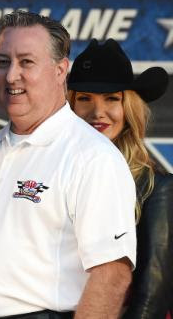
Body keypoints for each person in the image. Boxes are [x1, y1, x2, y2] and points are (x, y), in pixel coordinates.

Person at [0, 11, 137, 319]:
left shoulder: (93, 156)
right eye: (3, 62)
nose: (11, 75)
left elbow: (111, 275)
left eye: (26, 62)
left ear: (60, 70)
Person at [67, 39, 173, 318]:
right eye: (85, 98)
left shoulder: (157, 188)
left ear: (129, 108)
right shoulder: (54, 175)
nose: (97, 112)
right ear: (69, 105)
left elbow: (152, 294)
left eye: (111, 99)